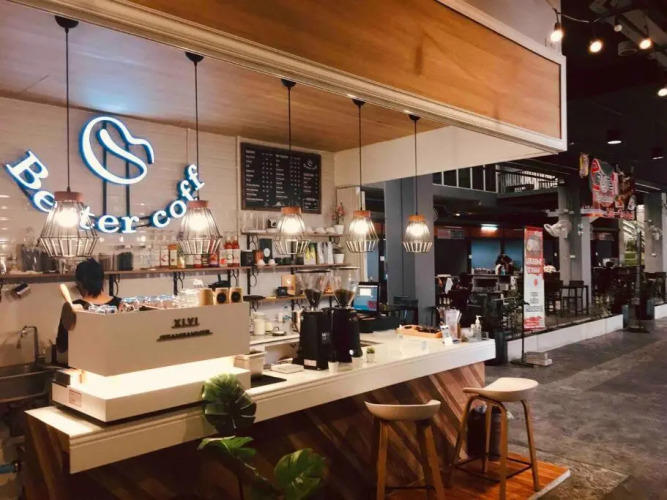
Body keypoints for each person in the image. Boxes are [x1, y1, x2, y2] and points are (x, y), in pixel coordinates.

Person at [56, 258, 121, 364]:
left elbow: (62, 345)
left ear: (79, 283)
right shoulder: (120, 304)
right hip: (116, 362)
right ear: (103, 280)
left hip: (86, 365)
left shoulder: (73, 308)